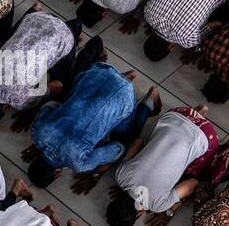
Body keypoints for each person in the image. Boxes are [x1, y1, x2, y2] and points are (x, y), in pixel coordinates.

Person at [107, 106, 229, 226]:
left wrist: (170, 211)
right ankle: (200, 111)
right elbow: (138, 142)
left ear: (138, 215)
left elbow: (193, 183)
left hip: (206, 135)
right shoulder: (120, 176)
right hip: (178, 114)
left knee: (209, 181)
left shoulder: (157, 205)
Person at [26, 63, 156, 187]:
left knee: (127, 137)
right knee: (69, 99)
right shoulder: (37, 133)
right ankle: (118, 78)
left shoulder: (80, 163)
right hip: (96, 72)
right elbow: (51, 105)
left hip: (123, 94)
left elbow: (118, 148)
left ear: (57, 174)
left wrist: (97, 173)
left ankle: (149, 100)